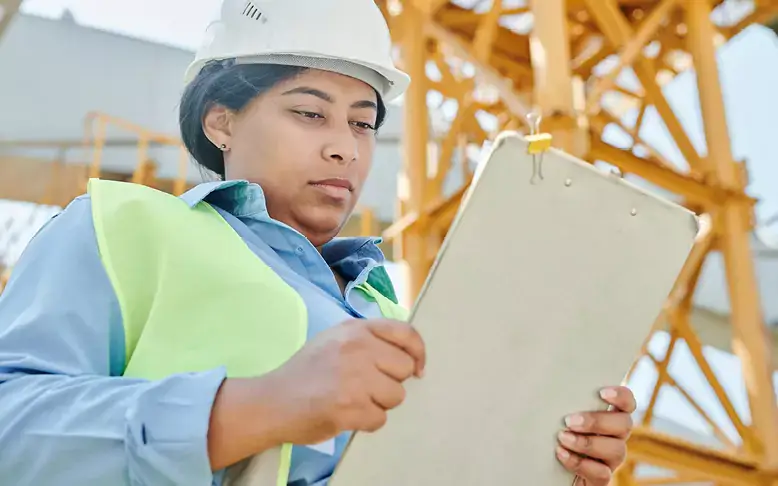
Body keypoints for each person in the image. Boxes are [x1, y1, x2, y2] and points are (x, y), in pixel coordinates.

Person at [0, 1, 637, 485]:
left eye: (363, 123)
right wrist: (247, 410)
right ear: (221, 119)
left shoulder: (400, 317)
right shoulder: (126, 226)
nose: (345, 146)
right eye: (310, 113)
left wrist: (545, 465)